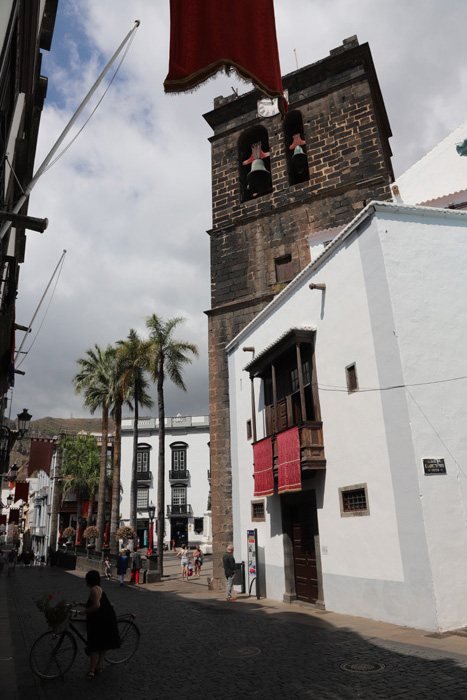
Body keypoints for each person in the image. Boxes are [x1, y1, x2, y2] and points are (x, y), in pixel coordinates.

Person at [77, 569, 120, 679]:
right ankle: (99, 667)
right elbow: (92, 603)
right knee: (103, 644)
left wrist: (84, 612)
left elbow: (96, 605)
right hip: (106, 617)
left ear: (90, 580)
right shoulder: (98, 588)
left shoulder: (93, 590)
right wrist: (79, 604)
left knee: (94, 646)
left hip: (100, 620)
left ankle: (91, 670)